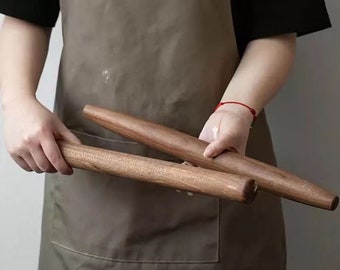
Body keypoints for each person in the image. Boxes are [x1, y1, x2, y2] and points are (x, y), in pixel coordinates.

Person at [0, 1, 331, 269]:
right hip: (90, 192)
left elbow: (275, 33)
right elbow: (25, 16)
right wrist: (16, 101)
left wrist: (236, 107)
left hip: (220, 162)